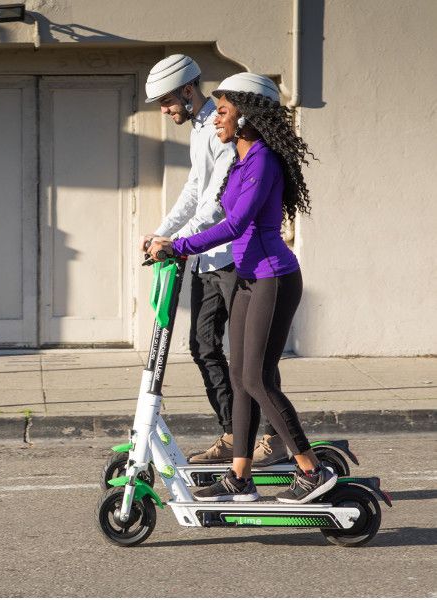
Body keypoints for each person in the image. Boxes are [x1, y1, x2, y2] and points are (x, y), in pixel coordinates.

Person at [148, 72, 336, 503]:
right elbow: (206, 200)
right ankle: (239, 475)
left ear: (248, 114)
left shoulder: (263, 160)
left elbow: (234, 224)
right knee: (239, 376)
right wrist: (170, 235)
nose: (217, 119)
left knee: (257, 377)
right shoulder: (238, 158)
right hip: (248, 278)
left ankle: (310, 470)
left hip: (273, 276)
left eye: (226, 111)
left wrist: (179, 245)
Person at [143, 55, 288, 466]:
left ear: (189, 90)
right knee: (203, 346)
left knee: (250, 356)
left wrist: (176, 242)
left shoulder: (224, 127)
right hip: (204, 257)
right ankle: (232, 433)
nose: (164, 109)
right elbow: (193, 190)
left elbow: (217, 204)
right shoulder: (199, 131)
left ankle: (273, 438)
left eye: (167, 100)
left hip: (230, 258)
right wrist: (162, 233)